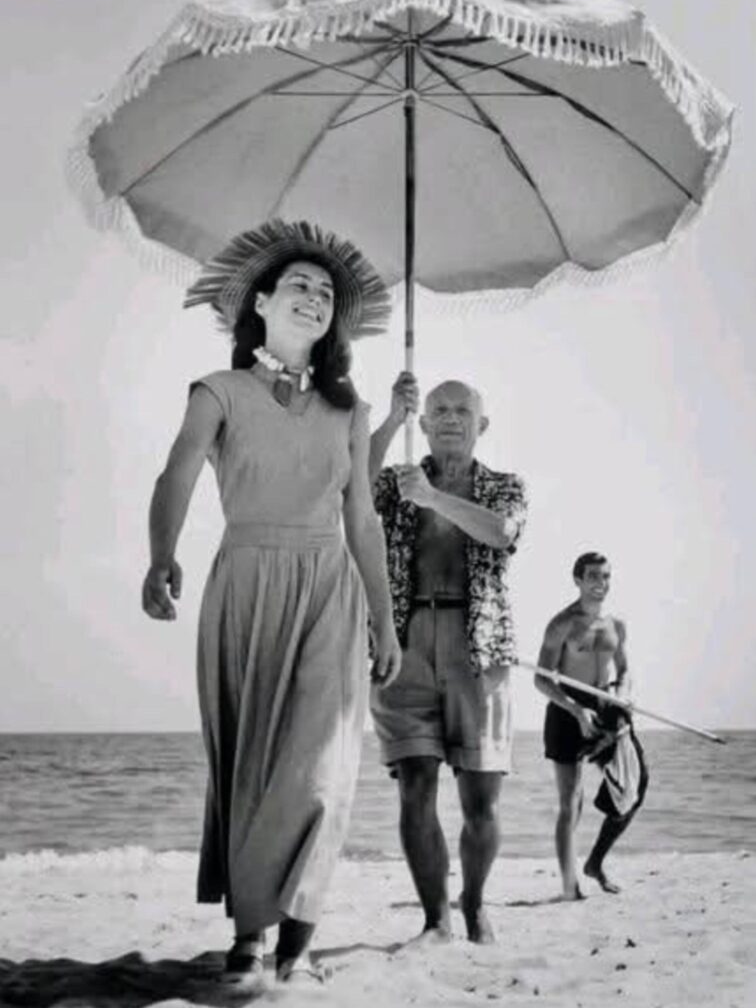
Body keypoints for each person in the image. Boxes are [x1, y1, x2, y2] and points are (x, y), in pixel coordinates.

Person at [141, 220, 401, 987]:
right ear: (261, 301)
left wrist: (385, 619)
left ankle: (299, 933)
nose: (315, 297)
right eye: (300, 285)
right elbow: (178, 472)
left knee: (322, 768)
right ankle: (251, 933)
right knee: (253, 765)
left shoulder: (351, 411)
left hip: (329, 589)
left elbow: (362, 521)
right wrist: (161, 555)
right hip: (246, 582)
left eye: (326, 292)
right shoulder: (217, 391)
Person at [369, 373, 528, 945]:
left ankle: (475, 903)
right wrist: (392, 418)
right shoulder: (398, 482)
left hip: (478, 647)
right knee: (414, 785)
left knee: (481, 798)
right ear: (425, 422)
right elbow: (349, 485)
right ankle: (435, 919)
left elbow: (502, 534)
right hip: (405, 641)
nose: (451, 418)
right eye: (439, 410)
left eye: (463, 410)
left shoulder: (505, 485)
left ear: (482, 424)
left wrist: (434, 498)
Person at [535, 552, 648, 901]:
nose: (601, 583)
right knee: (571, 802)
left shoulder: (616, 625)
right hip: (567, 709)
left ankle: (595, 862)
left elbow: (624, 670)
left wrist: (623, 695)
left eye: (606, 576)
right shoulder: (562, 624)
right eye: (594, 576)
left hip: (607, 706)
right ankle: (569, 886)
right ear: (578, 580)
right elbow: (541, 679)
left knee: (635, 788)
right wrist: (576, 710)